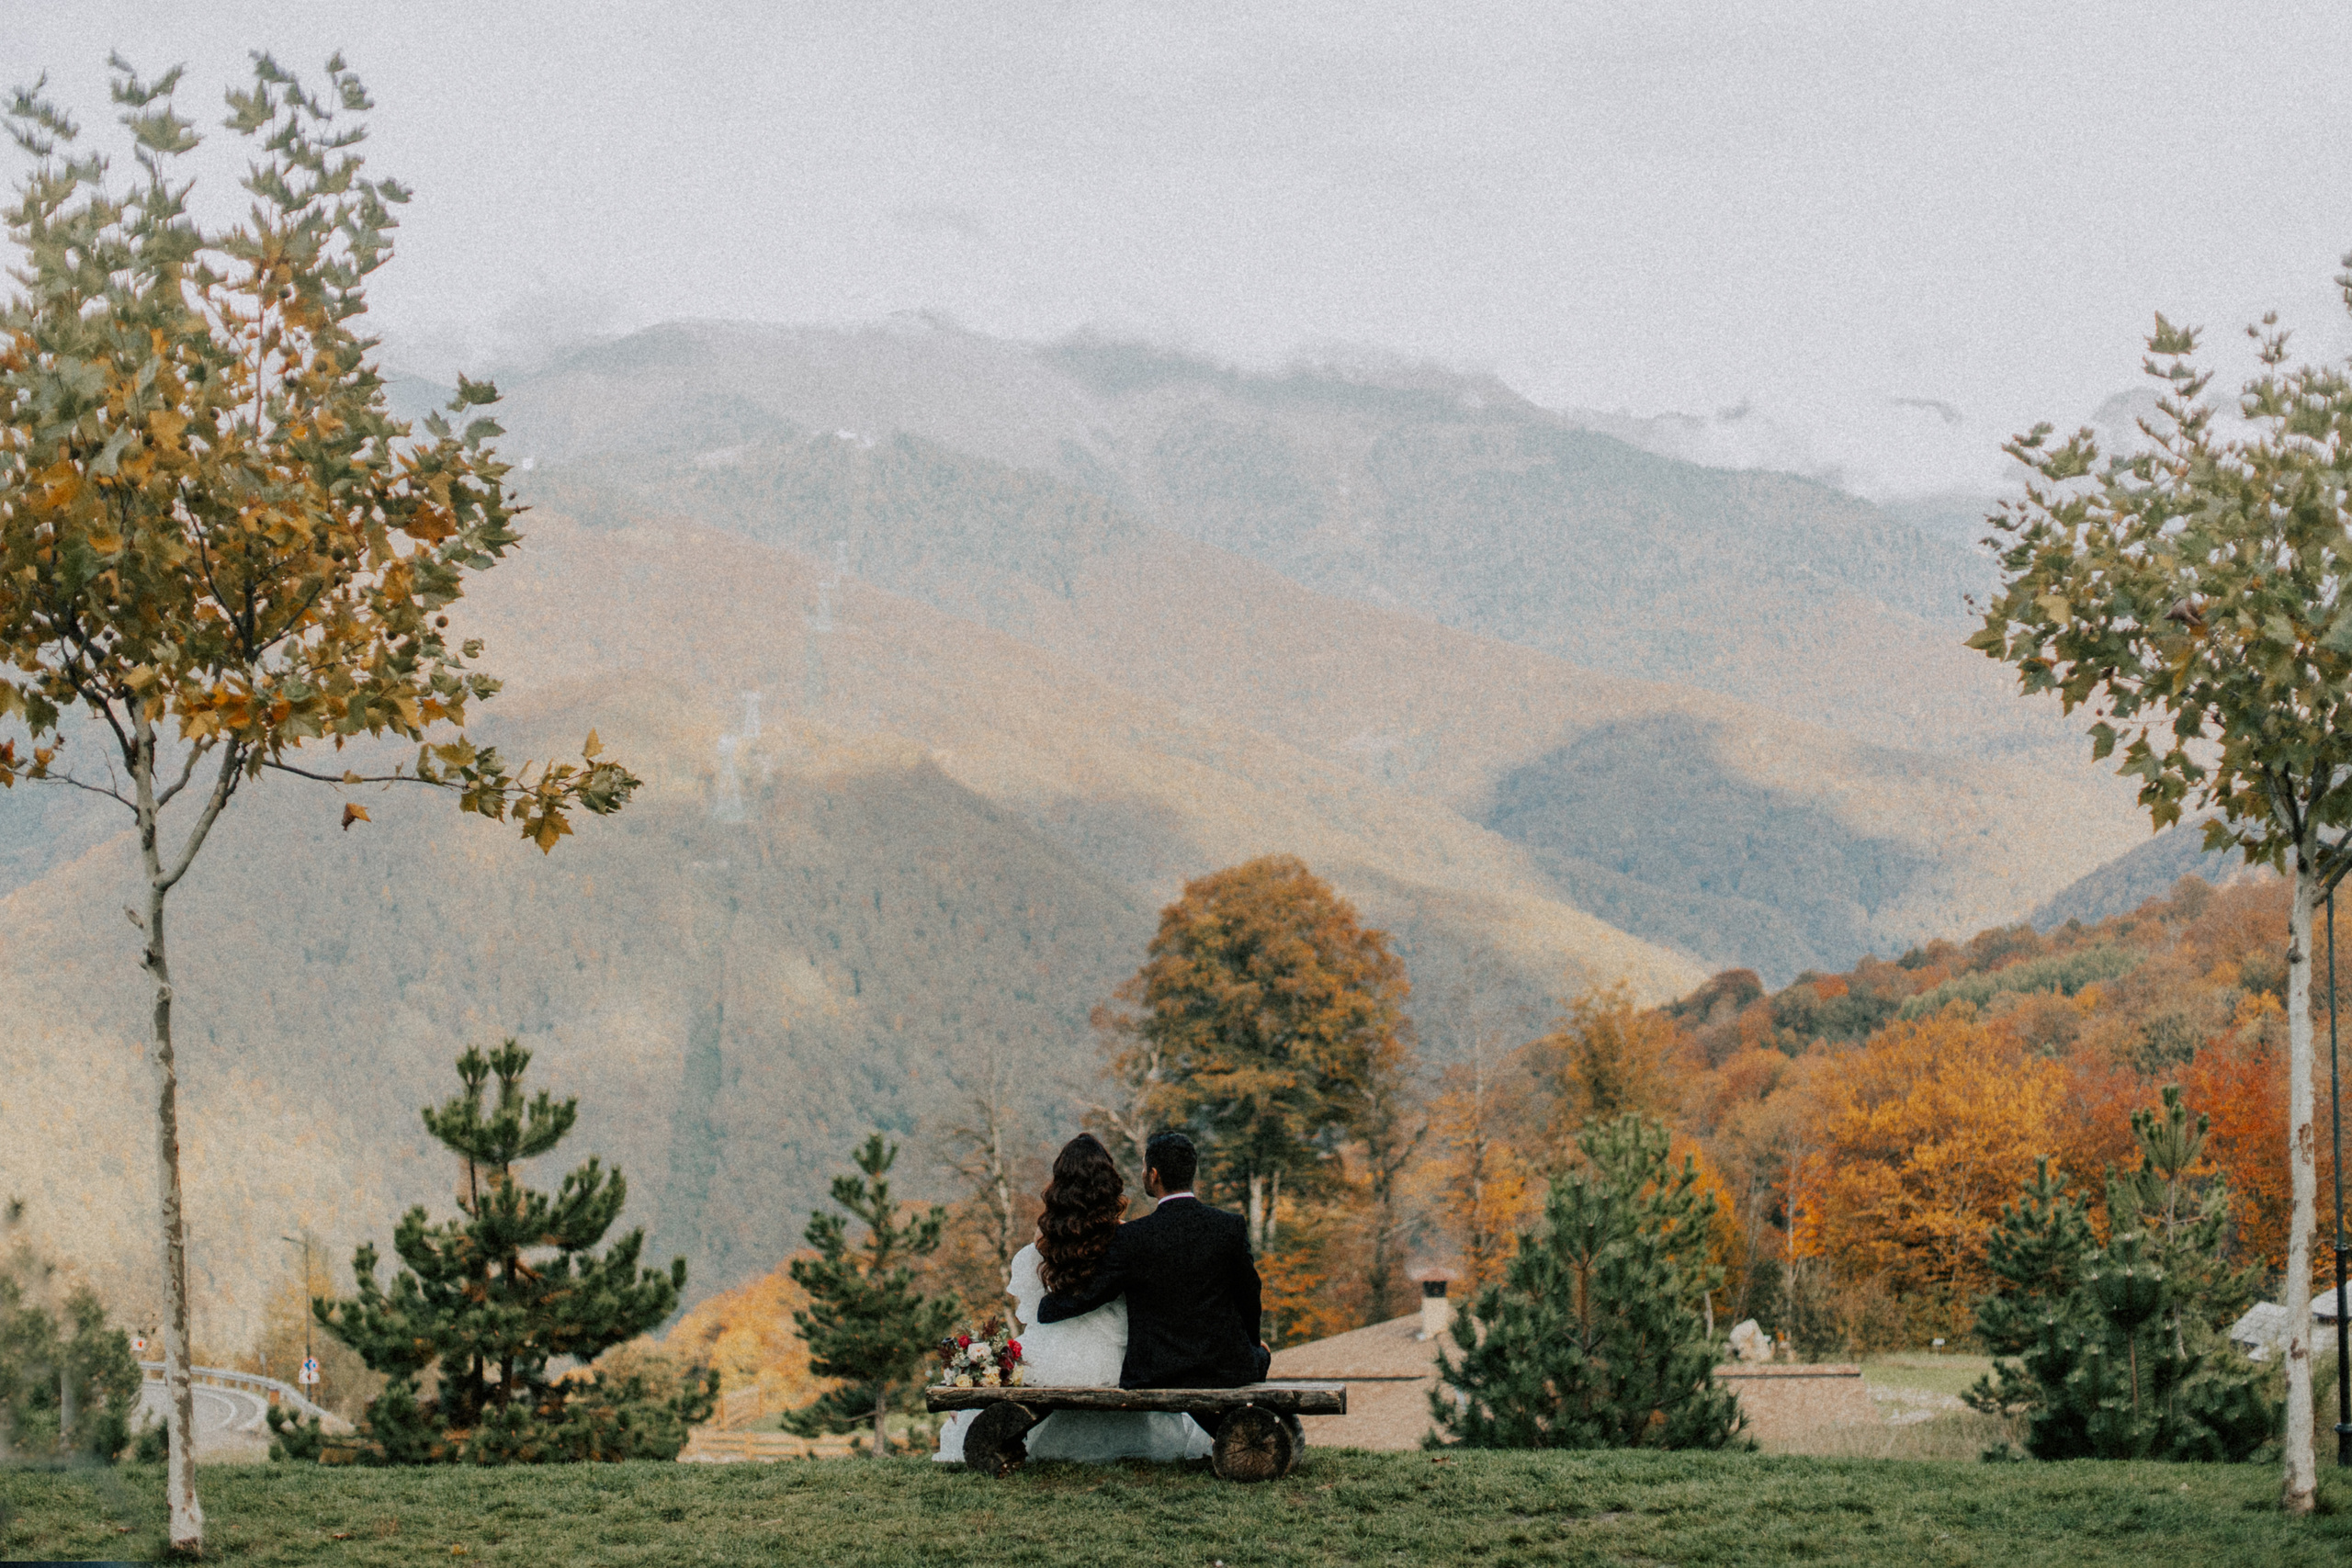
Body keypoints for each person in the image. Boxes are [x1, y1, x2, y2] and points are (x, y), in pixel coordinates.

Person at [934, 1134, 1213, 1464]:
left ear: (1060, 1183)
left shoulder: (1043, 1241)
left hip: (1054, 1356)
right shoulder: (1126, 1236)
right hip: (1116, 1358)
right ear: (1108, 1184)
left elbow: (1031, 1312)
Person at [1035, 1130, 1271, 1437]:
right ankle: (1245, 1429)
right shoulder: (1229, 1226)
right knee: (1262, 1354)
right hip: (1224, 1366)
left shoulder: (1133, 1237)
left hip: (1160, 1370)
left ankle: (1240, 1434)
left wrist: (1045, 1309)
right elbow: (1250, 1296)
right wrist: (1251, 1344)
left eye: (1145, 1168)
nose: (1144, 1174)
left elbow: (1093, 1293)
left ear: (1154, 1174)